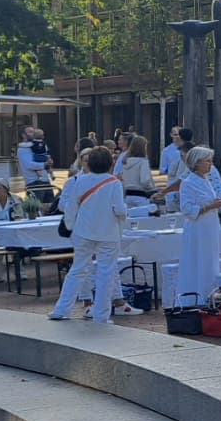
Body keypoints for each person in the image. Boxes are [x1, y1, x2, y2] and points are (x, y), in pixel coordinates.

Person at [49, 146, 132, 321]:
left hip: (83, 231)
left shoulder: (80, 180)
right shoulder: (114, 183)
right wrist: (125, 214)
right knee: (105, 274)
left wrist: (70, 226)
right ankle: (101, 316)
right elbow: (119, 210)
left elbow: (71, 207)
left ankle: (62, 309)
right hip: (108, 232)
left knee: (77, 270)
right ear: (110, 163)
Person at [173, 146, 221, 307]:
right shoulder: (188, 183)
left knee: (210, 261)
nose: (210, 165)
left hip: (210, 227)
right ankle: (195, 297)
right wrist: (210, 206)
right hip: (197, 229)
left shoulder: (206, 180)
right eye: (207, 161)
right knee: (198, 261)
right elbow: (187, 209)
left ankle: (209, 294)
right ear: (197, 163)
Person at [118, 134, 157, 208]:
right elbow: (145, 180)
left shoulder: (125, 161)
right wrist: (152, 189)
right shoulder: (143, 162)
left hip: (128, 195)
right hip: (141, 195)